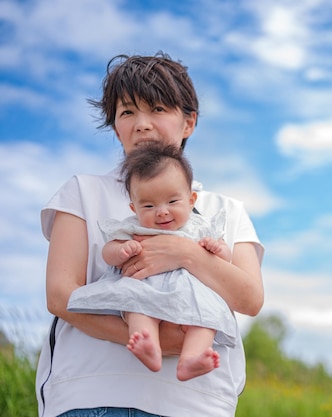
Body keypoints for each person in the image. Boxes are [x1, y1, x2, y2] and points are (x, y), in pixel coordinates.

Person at [36, 52, 264, 417]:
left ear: (188, 122)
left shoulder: (227, 210)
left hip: (198, 403)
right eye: (127, 113)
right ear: (116, 127)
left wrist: (185, 254)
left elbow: (250, 298)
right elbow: (61, 295)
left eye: (158, 109)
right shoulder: (82, 192)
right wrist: (150, 339)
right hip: (93, 394)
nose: (142, 124)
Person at [67, 143, 235, 381]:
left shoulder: (201, 227)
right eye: (148, 205)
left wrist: (218, 249)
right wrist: (122, 250)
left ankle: (191, 359)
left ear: (191, 200)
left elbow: (224, 258)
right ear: (134, 208)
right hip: (145, 286)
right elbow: (108, 250)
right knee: (137, 306)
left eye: (172, 202)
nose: (162, 212)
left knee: (206, 317)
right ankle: (149, 347)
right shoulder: (132, 227)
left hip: (192, 295)